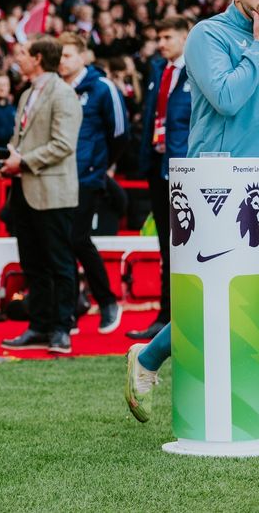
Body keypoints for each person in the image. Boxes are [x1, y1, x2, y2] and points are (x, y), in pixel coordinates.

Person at [126, 0, 259, 422]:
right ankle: (148, 357)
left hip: (257, 175)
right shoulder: (208, 35)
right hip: (217, 178)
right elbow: (226, 99)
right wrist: (258, 48)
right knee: (213, 293)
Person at [0, 36, 82, 355]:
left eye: (23, 53)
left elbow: (64, 144)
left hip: (53, 191)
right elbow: (22, 139)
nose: (18, 58)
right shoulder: (29, 93)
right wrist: (7, 163)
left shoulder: (63, 94)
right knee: (33, 263)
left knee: (59, 262)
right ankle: (39, 325)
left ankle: (62, 328)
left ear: (38, 58)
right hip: (25, 188)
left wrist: (23, 161)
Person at [125, 17, 192, 341]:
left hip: (185, 168)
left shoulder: (197, 70)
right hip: (158, 165)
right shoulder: (159, 71)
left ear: (186, 37)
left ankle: (181, 316)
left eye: (168, 37)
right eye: (159, 36)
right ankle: (166, 318)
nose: (161, 42)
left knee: (183, 247)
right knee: (167, 247)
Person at [57, 32, 128, 334]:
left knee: (77, 239)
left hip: (87, 176)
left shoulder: (102, 87)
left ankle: (107, 300)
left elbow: (120, 132)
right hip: (58, 177)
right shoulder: (56, 88)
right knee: (63, 243)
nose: (62, 61)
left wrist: (100, 166)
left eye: (68, 55)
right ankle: (72, 308)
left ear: (83, 56)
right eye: (59, 55)